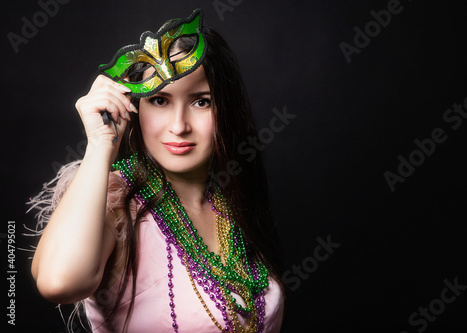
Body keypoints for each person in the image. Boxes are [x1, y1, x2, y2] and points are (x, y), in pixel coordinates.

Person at [28, 9, 284, 333]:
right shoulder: (117, 200)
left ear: (226, 109)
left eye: (201, 101)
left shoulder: (230, 198)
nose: (179, 126)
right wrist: (100, 144)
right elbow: (58, 282)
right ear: (136, 108)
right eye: (159, 100)